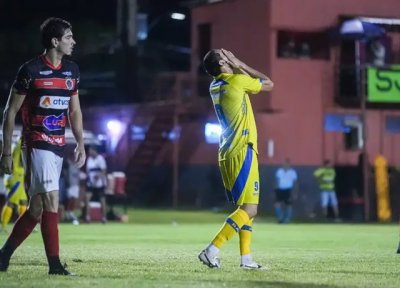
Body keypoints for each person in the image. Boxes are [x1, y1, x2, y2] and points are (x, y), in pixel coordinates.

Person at [0, 17, 86, 275]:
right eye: (69, 37)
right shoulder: (31, 70)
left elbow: (75, 111)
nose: (74, 41)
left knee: (36, 209)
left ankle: (3, 257)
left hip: (58, 145)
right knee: (51, 200)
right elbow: (9, 112)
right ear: (55, 41)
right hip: (36, 143)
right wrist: (6, 152)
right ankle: (55, 265)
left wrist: (80, 142)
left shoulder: (72, 71)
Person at [198, 48, 273, 269]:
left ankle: (246, 259)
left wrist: (231, 63)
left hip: (226, 152)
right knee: (249, 209)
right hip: (243, 150)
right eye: (226, 56)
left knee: (246, 209)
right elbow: (268, 83)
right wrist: (239, 62)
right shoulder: (238, 81)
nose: (230, 58)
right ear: (223, 64)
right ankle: (212, 250)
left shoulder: (214, 86)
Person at [1, 139, 28, 232]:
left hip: (19, 176)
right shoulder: (20, 144)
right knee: (11, 203)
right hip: (16, 177)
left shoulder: (17, 143)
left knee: (24, 202)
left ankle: (24, 225)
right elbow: (21, 156)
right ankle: (2, 226)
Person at [85, 146, 107, 223]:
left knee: (102, 200)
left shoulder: (100, 159)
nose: (90, 152)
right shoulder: (89, 159)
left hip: (99, 183)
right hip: (91, 183)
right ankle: (87, 217)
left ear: (95, 151)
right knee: (87, 198)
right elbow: (88, 171)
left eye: (91, 151)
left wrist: (98, 176)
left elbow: (104, 170)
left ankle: (104, 217)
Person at [274, 158, 298, 223]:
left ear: (289, 164)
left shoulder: (292, 172)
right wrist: (276, 189)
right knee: (277, 204)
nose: (286, 164)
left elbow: (295, 183)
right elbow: (277, 181)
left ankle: (287, 219)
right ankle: (280, 218)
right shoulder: (279, 171)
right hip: (280, 189)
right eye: (285, 163)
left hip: (288, 190)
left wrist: (295, 192)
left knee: (288, 205)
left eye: (287, 163)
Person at [64, 157, 80, 225]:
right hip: (70, 185)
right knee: (70, 199)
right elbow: (66, 175)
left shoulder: (77, 166)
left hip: (76, 185)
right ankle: (68, 213)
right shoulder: (69, 166)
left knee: (74, 199)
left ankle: (71, 212)